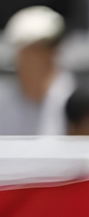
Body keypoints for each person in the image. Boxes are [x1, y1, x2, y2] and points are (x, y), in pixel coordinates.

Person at [0, 7, 74, 136]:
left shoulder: (73, 98)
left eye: (47, 48)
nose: (40, 59)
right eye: (31, 51)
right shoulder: (3, 102)